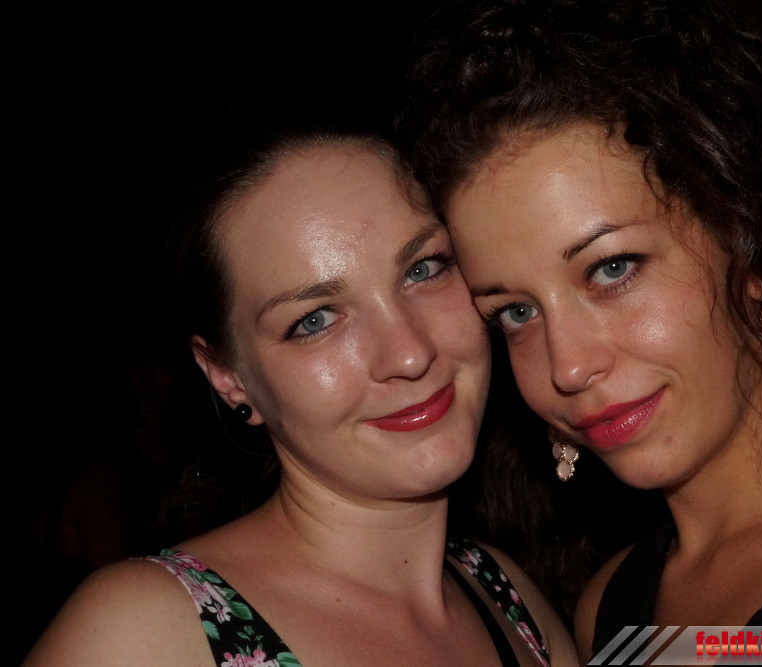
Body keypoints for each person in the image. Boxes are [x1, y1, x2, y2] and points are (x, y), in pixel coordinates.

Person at [394, 0, 762, 661]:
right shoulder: (612, 612)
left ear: (756, 250)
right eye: (516, 312)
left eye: (612, 268)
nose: (567, 366)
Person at [24, 130, 576, 666]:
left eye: (423, 270)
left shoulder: (509, 598)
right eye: (315, 320)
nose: (409, 354)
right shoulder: (144, 631)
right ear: (228, 376)